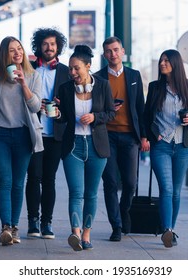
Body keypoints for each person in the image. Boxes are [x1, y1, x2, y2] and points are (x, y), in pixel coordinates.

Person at [0, 36, 43, 246]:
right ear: (5, 54)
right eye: (12, 50)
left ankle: (14, 227)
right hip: (1, 135)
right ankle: (5, 227)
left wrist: (23, 84)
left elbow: (35, 107)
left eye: (20, 49)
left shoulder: (33, 76)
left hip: (23, 136)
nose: (17, 53)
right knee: (4, 182)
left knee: (17, 183)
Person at [55, 45, 115, 251]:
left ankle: (87, 234)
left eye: (76, 68)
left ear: (88, 67)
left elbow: (110, 113)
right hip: (73, 146)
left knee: (91, 194)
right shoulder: (64, 88)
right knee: (76, 192)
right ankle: (75, 233)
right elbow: (62, 118)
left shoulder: (103, 86)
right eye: (70, 68)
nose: (72, 73)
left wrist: (95, 117)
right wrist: (55, 113)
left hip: (96, 146)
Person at [144, 49, 188, 248]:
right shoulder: (155, 87)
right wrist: (153, 134)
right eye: (161, 60)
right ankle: (167, 230)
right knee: (166, 188)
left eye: (167, 60)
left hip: (183, 146)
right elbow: (146, 116)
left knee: (176, 191)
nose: (162, 63)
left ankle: (170, 231)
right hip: (161, 145)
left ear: (176, 64)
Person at [95, 36, 149, 242]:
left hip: (130, 137)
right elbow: (93, 107)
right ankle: (116, 225)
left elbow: (140, 108)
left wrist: (144, 136)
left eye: (116, 50)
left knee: (130, 183)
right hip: (106, 135)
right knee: (109, 182)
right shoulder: (98, 77)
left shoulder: (134, 75)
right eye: (108, 51)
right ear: (104, 54)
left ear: (123, 51)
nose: (113, 54)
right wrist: (108, 108)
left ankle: (123, 210)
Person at [25, 28, 70, 239]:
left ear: (58, 47)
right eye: (45, 44)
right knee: (33, 177)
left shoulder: (65, 71)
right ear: (39, 46)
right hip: (34, 132)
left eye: (52, 44)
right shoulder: (29, 69)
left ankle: (47, 223)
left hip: (56, 134)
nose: (49, 48)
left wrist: (61, 108)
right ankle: (32, 220)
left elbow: (72, 104)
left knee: (49, 179)